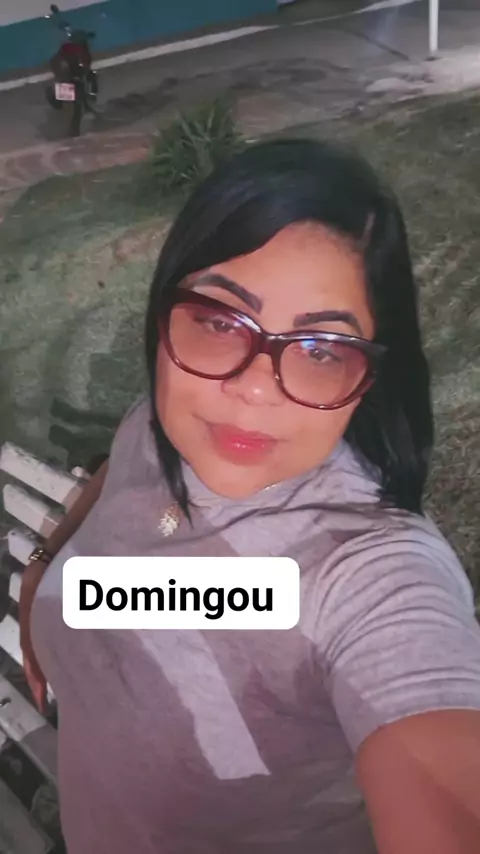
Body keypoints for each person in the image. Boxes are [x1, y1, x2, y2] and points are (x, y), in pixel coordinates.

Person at [20, 138, 480, 854]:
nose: (254, 388)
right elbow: (122, 472)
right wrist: (47, 565)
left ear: (369, 378)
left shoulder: (366, 573)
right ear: (164, 314)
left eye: (322, 349)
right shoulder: (165, 421)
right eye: (219, 321)